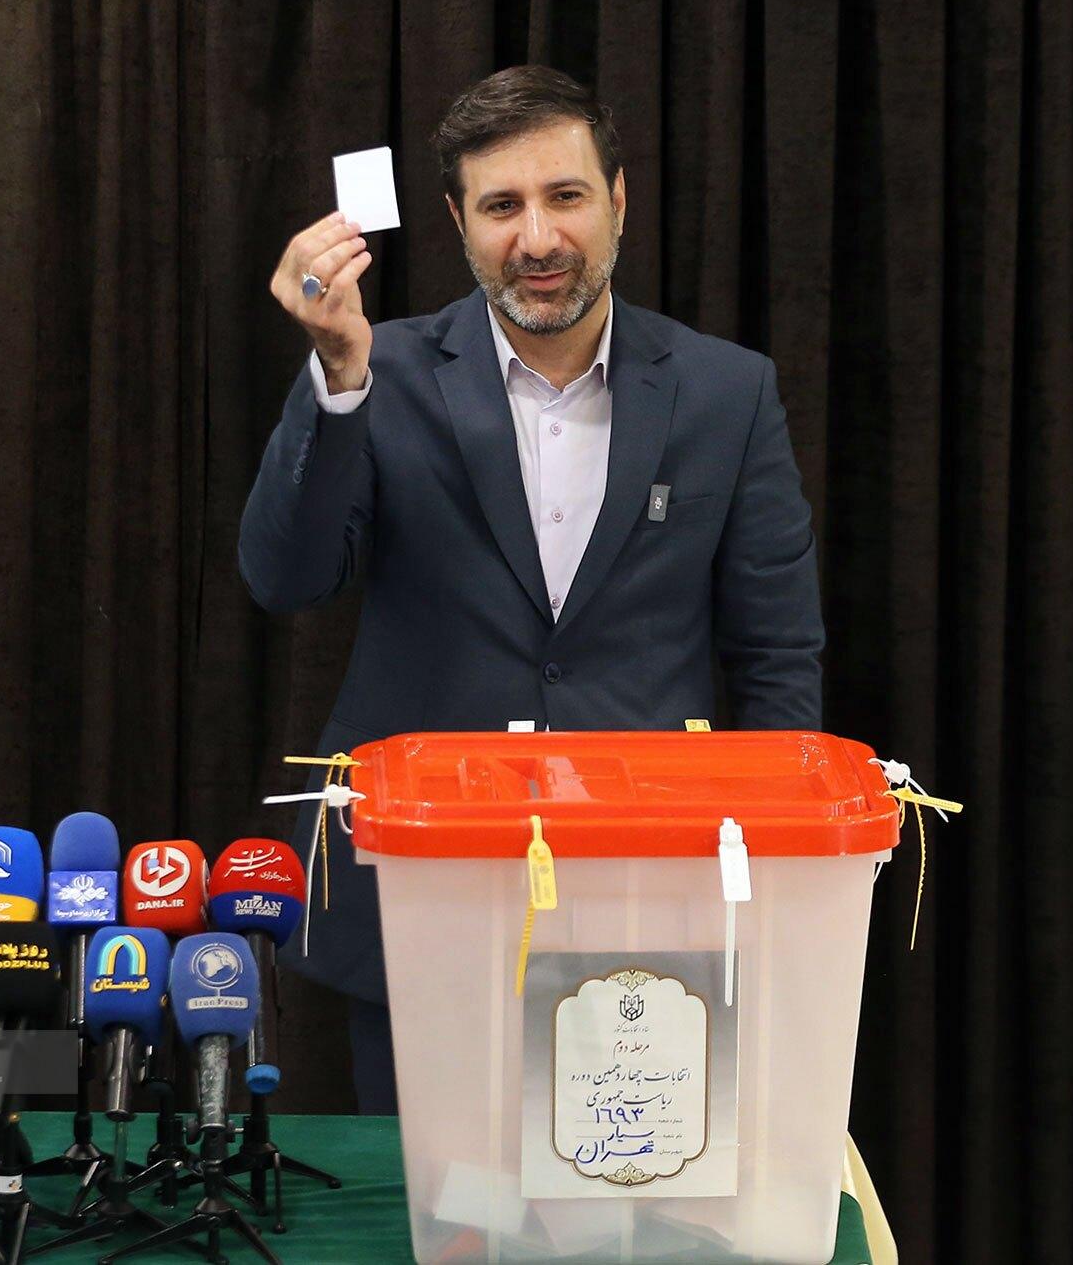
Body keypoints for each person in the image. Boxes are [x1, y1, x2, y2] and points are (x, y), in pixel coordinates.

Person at [240, 65, 823, 1114]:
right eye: (502, 206)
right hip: (422, 885)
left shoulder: (727, 391)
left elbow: (777, 655)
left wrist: (768, 881)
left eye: (566, 196)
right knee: (434, 1192)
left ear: (618, 201)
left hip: (651, 888)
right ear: (458, 224)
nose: (538, 238)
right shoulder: (381, 369)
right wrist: (337, 377)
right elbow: (284, 577)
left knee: (632, 1186)